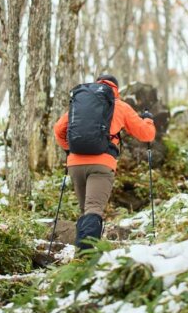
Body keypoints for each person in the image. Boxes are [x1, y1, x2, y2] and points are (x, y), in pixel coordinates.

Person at [52, 74, 156, 251]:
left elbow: (58, 130)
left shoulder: (81, 104)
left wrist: (70, 149)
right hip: (101, 164)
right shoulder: (119, 105)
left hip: (75, 164)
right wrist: (147, 119)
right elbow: (147, 134)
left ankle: (82, 255)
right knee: (93, 210)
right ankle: (86, 257)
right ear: (115, 89)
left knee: (86, 211)